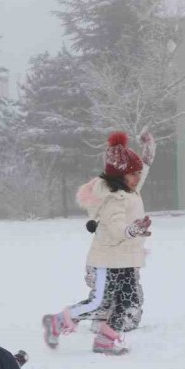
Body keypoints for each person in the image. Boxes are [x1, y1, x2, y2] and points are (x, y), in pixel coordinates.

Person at [42, 131, 155, 355]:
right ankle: (56, 321)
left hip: (127, 260)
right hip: (108, 260)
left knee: (129, 301)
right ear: (121, 176)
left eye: (139, 174)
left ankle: (106, 338)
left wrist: (149, 148)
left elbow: (144, 168)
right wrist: (133, 229)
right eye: (134, 174)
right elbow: (115, 230)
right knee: (99, 303)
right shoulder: (114, 198)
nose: (138, 177)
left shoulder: (131, 190)